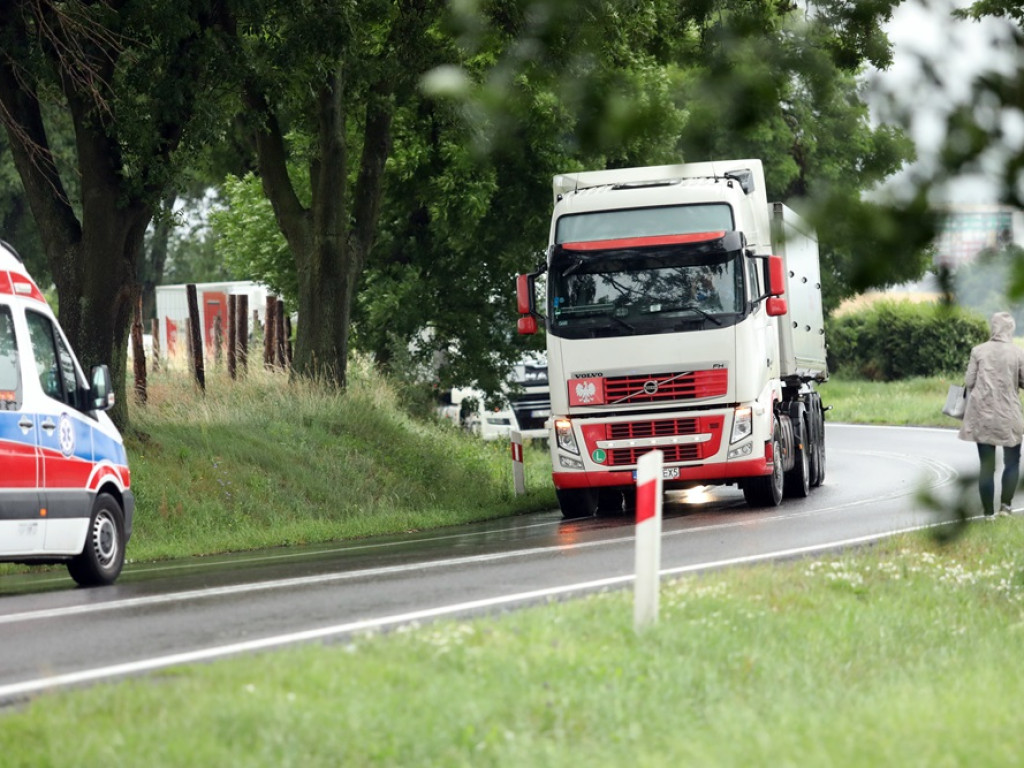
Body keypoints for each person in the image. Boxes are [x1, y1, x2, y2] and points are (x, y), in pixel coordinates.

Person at [959, 311, 1024, 517]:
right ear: (1010, 329)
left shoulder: (978, 351)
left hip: (982, 415)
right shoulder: (1018, 353)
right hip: (1009, 416)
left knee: (987, 467)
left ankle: (988, 514)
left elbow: (969, 382)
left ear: (993, 327)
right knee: (1012, 462)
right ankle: (1005, 507)